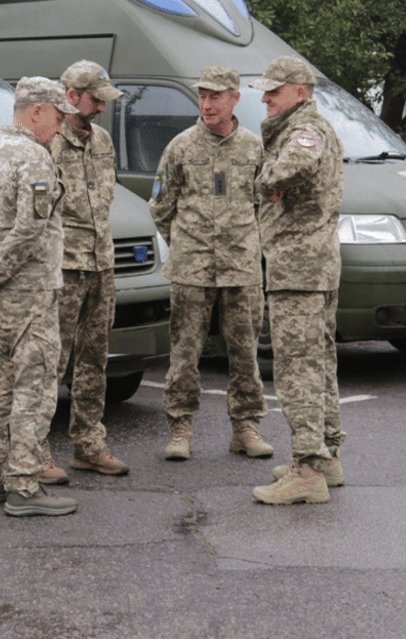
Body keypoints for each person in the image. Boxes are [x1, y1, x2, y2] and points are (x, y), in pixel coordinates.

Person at [0, 76, 77, 517]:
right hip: (30, 292)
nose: (62, 127)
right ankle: (24, 486)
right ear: (37, 111)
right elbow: (30, 229)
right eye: (59, 117)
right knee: (34, 387)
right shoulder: (34, 158)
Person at [149, 65, 273, 461]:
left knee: (245, 352)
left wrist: (251, 244)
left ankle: (246, 428)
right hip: (192, 267)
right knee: (184, 351)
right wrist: (185, 243)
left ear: (235, 98)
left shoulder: (254, 148)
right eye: (203, 95)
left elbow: (268, 208)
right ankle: (180, 427)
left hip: (241, 265)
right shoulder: (181, 147)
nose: (207, 103)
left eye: (216, 96)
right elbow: (161, 206)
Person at [248, 55, 345, 505]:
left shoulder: (305, 131)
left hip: (298, 267)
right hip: (313, 264)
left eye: (275, 90)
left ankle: (308, 470)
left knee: (297, 367)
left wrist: (264, 181)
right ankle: (326, 456)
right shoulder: (304, 127)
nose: (266, 98)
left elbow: (294, 168)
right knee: (319, 360)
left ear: (300, 91)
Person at [41, 60, 129, 483]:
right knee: (49, 361)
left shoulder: (103, 140)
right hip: (62, 265)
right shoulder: (48, 141)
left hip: (100, 262)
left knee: (94, 359)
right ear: (71, 96)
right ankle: (34, 449)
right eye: (95, 100)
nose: (101, 108)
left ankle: (88, 444)